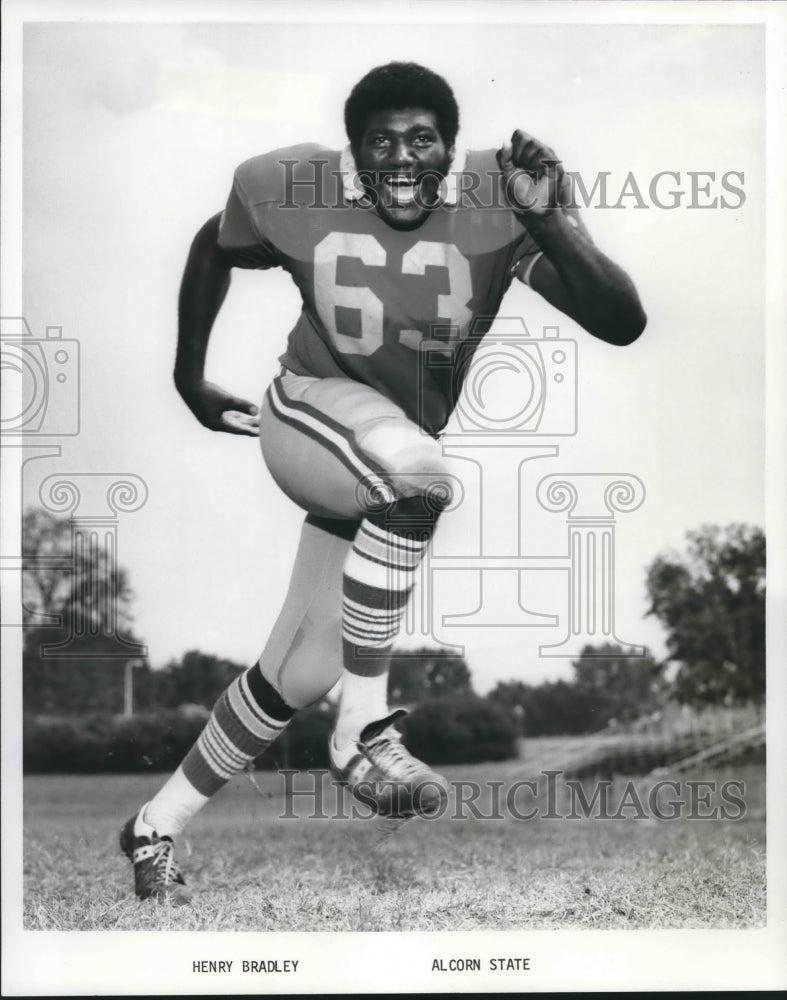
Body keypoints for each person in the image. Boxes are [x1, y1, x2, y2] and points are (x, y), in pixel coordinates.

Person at [120, 62, 646, 903]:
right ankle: (364, 729)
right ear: (353, 154)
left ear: (449, 147)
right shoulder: (288, 184)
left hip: (376, 457)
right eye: (381, 144)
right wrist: (189, 377)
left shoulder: (501, 196)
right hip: (308, 414)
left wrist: (551, 221)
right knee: (417, 476)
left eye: (421, 140)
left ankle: (154, 824)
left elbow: (622, 321)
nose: (402, 158)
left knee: (296, 670)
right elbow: (209, 245)